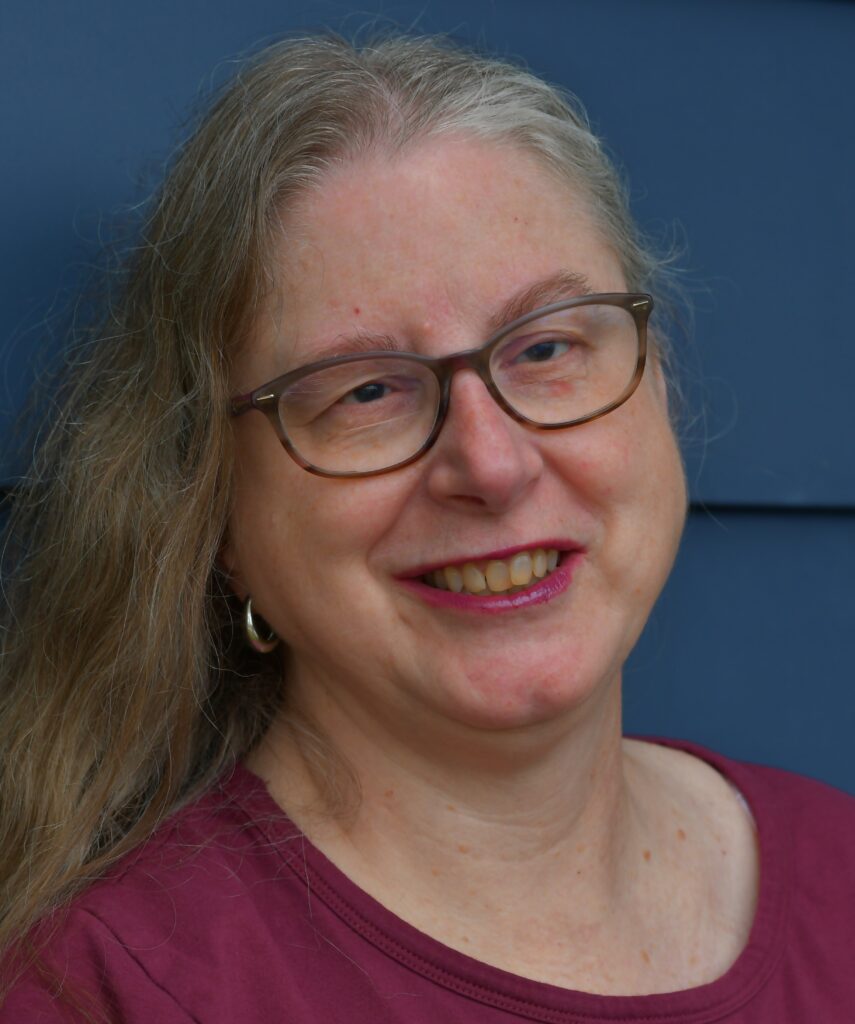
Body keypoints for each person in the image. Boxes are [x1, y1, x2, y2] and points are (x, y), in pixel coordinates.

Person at [1, 32, 853, 1024]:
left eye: (545, 346)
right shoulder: (106, 991)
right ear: (218, 512)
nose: (491, 464)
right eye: (366, 391)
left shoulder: (841, 876)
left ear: (658, 378)